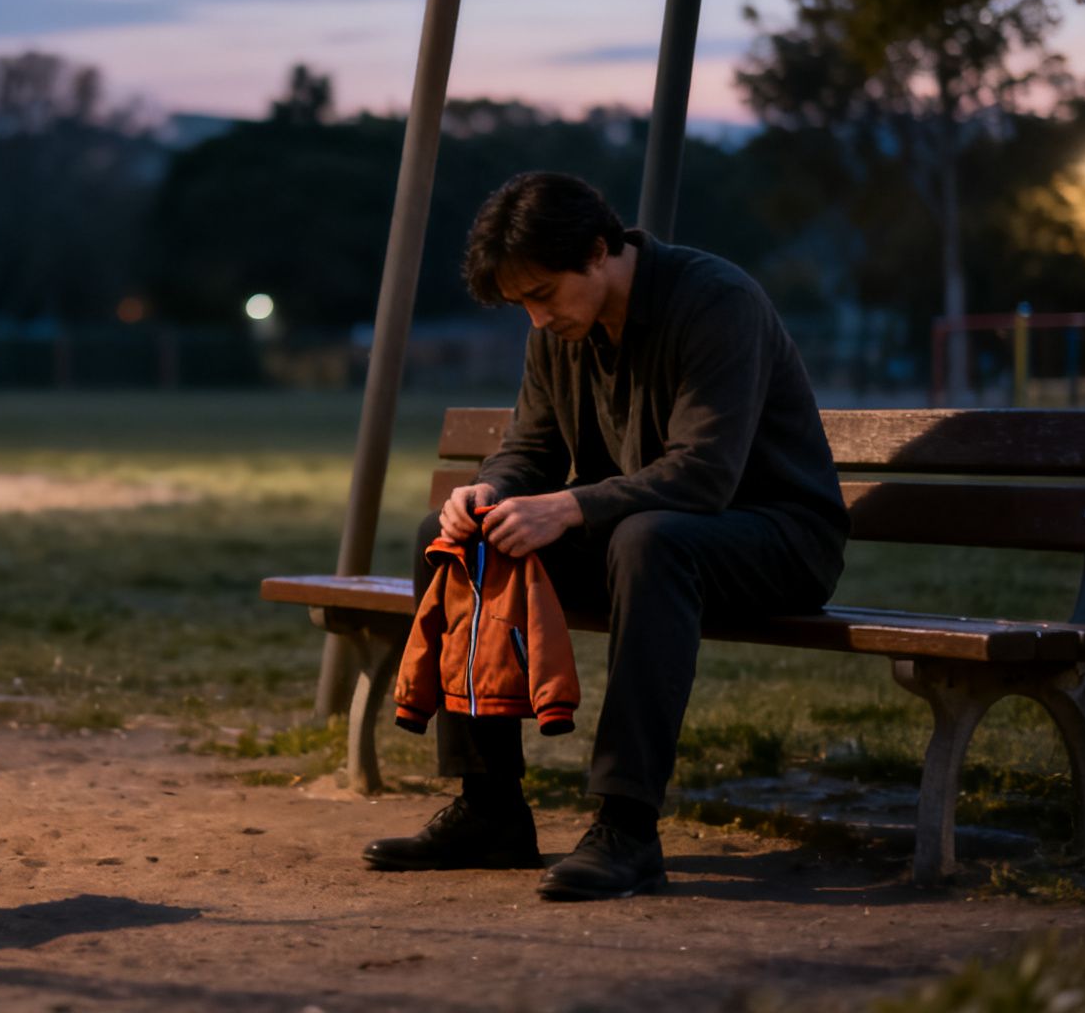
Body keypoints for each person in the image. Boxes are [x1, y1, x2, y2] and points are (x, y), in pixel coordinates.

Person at [362, 172, 849, 901]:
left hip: (777, 540)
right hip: (649, 537)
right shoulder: (563, 330)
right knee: (457, 536)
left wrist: (569, 507)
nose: (535, 318)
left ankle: (628, 826)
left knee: (651, 541)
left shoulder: (716, 301)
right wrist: (489, 492)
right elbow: (529, 447)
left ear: (598, 252)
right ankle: (490, 809)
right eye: (520, 302)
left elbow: (705, 475)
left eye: (543, 294)